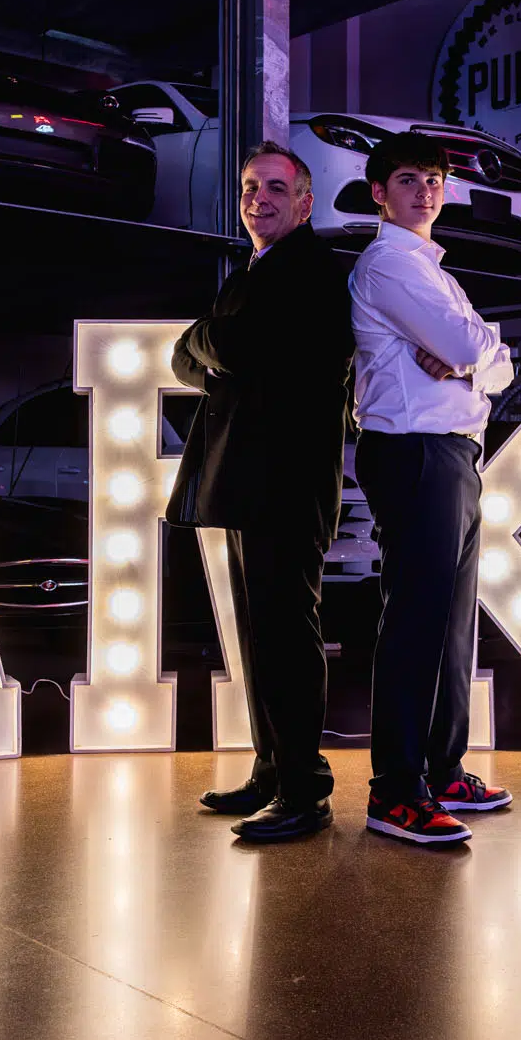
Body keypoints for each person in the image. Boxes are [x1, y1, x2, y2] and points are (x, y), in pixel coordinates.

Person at [167, 141, 354, 843]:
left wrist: (215, 343)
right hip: (252, 482)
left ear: (305, 201)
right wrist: (216, 344)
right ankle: (272, 769)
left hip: (288, 484)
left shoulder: (309, 269)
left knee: (285, 632)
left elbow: (229, 350)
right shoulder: (258, 269)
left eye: (276, 188)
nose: (259, 199)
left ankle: (305, 788)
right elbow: (195, 357)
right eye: (250, 188)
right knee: (258, 636)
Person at [348, 131, 515, 846]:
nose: (427, 191)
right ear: (380, 192)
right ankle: (395, 789)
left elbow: (494, 361)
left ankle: (443, 769)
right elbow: (477, 348)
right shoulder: (390, 264)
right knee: (417, 617)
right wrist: (478, 358)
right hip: (414, 451)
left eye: (436, 180)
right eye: (410, 179)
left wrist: (478, 361)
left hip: (452, 451)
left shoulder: (434, 271)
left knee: (452, 621)